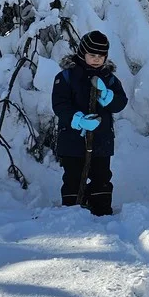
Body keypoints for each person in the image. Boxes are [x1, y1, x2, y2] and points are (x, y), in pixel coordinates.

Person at [51, 30, 128, 213]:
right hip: (73, 139)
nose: (96, 59)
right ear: (82, 53)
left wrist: (110, 98)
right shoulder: (66, 77)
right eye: (92, 55)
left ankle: (101, 211)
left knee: (101, 176)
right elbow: (60, 105)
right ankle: (72, 210)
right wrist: (77, 119)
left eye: (101, 56)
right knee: (73, 176)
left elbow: (121, 102)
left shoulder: (109, 78)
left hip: (101, 139)